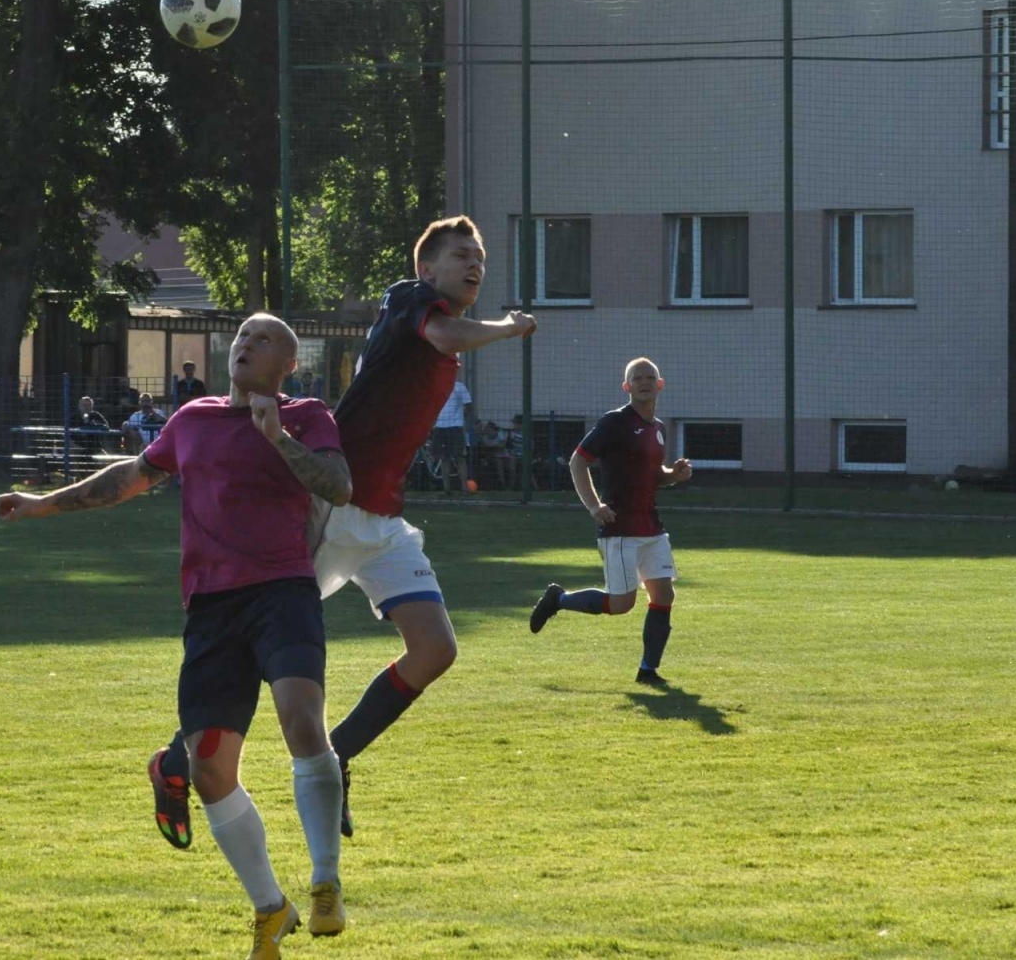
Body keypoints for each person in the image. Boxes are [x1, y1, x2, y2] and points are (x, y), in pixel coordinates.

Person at [148, 216, 536, 851]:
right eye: (463, 255)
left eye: (482, 260)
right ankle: (174, 760)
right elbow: (444, 333)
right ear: (427, 269)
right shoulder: (410, 301)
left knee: (436, 649)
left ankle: (341, 753)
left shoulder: (436, 319)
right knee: (251, 636)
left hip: (382, 520)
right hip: (331, 507)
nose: (476, 267)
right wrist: (508, 326)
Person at [0, 313, 354, 957]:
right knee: (212, 769)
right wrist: (42, 503)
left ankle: (326, 881)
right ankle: (271, 909)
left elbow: (339, 484)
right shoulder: (192, 421)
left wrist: (279, 440)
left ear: (288, 364)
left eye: (263, 340)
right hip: (212, 611)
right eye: (241, 338)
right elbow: (130, 477)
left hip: (283, 593)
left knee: (303, 721)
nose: (246, 346)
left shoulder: (307, 416)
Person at [528, 358, 693, 687]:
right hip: (619, 528)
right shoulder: (614, 422)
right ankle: (558, 599)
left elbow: (653, 476)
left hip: (652, 528)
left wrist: (674, 476)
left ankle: (648, 671)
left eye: (650, 377)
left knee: (664, 596)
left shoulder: (658, 428)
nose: (644, 382)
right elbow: (578, 461)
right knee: (621, 604)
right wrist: (594, 505)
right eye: (637, 378)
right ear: (626, 386)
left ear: (660, 385)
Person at [428, 375, 473, 494]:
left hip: (455, 427)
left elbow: (468, 406)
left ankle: (464, 488)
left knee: (459, 457)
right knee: (444, 458)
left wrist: (459, 418)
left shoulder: (459, 387)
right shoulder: (437, 387)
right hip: (440, 427)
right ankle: (446, 489)